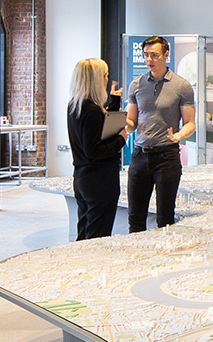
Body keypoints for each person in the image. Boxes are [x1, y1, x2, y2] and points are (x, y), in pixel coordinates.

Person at [124, 35, 195, 233]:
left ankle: (164, 252)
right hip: (139, 156)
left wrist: (180, 135)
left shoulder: (181, 86)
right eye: (146, 55)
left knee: (165, 218)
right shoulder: (136, 84)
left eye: (154, 55)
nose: (149, 59)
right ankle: (138, 252)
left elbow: (190, 123)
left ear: (166, 55)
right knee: (135, 218)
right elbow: (131, 124)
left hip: (167, 156)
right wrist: (120, 121)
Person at [65, 57, 124, 240]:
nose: (107, 79)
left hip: (82, 177)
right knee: (98, 236)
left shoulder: (75, 105)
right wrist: (121, 140)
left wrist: (114, 103)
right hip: (100, 180)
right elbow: (94, 151)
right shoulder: (92, 110)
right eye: (105, 76)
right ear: (96, 79)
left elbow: (100, 131)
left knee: (85, 231)